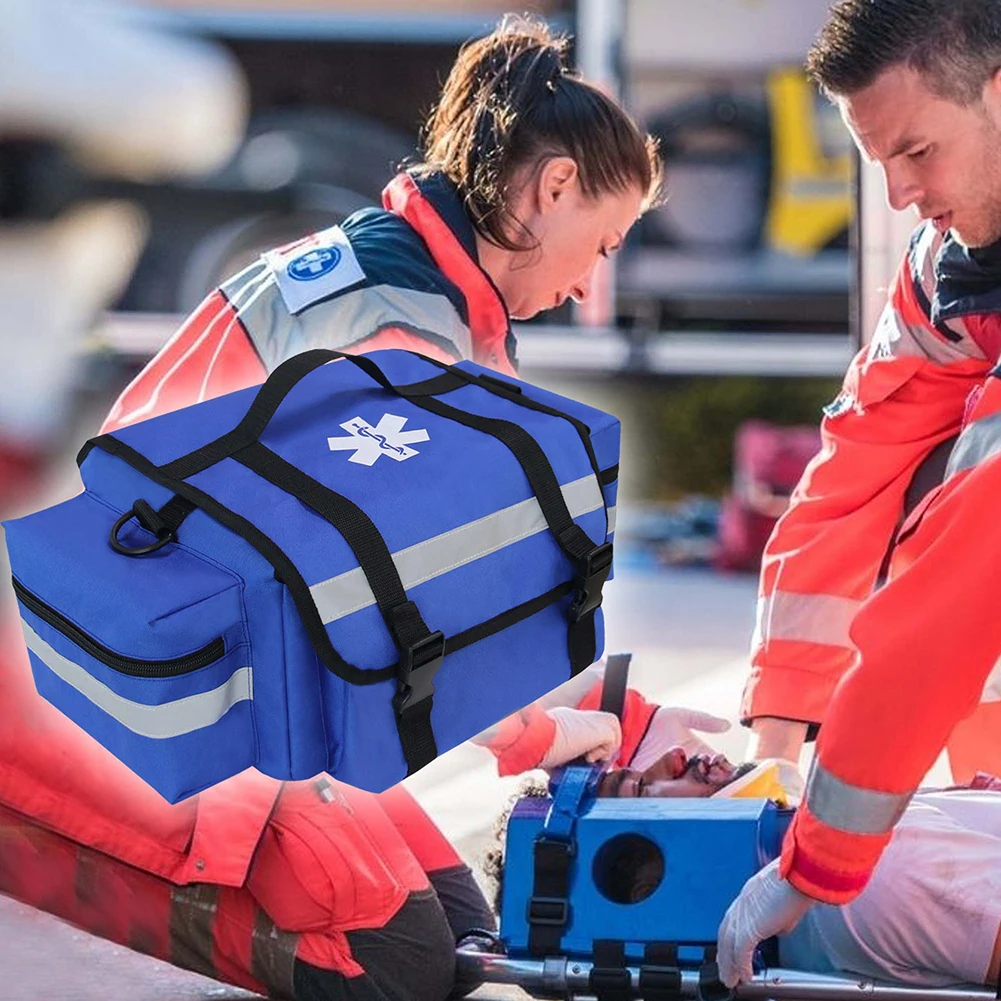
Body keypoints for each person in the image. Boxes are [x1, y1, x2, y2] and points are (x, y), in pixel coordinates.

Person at [0, 14, 660, 998]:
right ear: (552, 186)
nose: (586, 284)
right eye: (600, 243)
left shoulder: (407, 278)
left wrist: (624, 713)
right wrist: (553, 733)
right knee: (392, 957)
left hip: (202, 663)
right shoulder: (404, 334)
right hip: (139, 696)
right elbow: (412, 627)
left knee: (470, 936)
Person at [720, 0, 1001, 985]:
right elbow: (853, 475)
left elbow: (969, 559)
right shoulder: (952, 274)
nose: (894, 195)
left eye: (915, 151)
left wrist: (820, 857)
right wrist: (776, 747)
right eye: (876, 159)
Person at [592, 746, 1001, 989]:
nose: (675, 753)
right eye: (640, 786)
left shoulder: (844, 874)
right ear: (649, 885)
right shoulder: (877, 876)